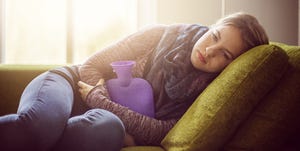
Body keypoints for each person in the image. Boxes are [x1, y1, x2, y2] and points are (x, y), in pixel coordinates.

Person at [0, 12, 268, 151]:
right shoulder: (161, 35)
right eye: (215, 36)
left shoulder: (209, 93)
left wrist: (98, 102)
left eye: (224, 54)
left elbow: (159, 131)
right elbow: (91, 65)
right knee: (39, 125)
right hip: (68, 84)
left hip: (101, 116)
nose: (209, 51)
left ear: (232, 65)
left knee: (106, 131)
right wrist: (97, 95)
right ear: (211, 27)